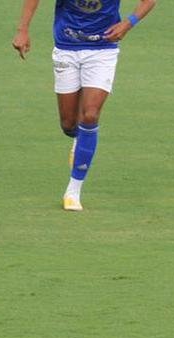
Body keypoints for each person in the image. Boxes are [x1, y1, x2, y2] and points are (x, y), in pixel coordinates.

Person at [12, 0, 157, 211]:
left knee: (90, 115)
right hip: (66, 48)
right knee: (69, 124)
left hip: (103, 50)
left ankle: (73, 190)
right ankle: (79, 139)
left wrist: (128, 23)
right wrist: (23, 30)